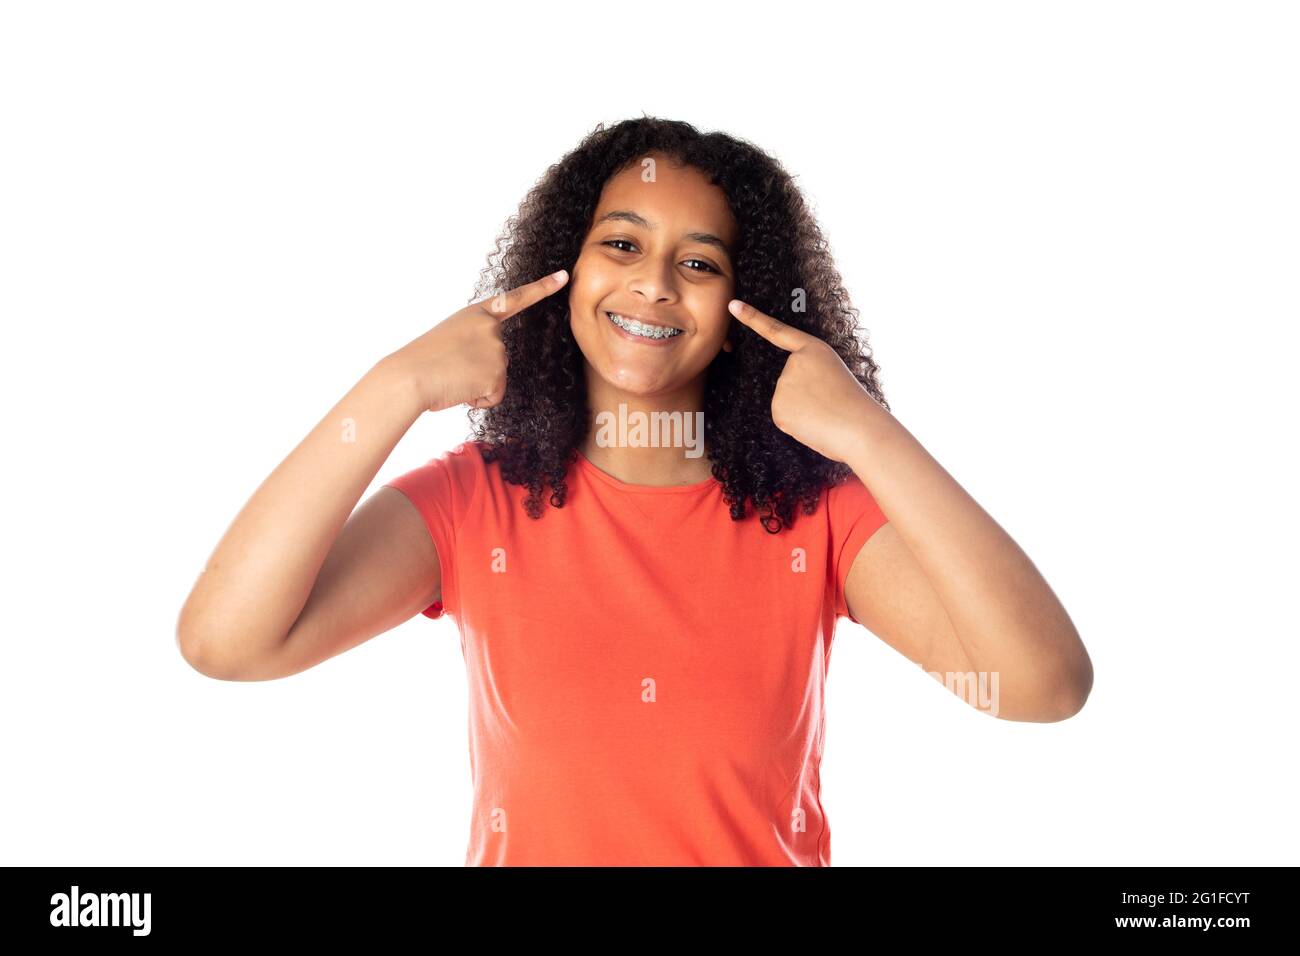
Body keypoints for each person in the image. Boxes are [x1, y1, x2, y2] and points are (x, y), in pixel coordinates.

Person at [177, 116, 1092, 866]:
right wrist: (393, 386)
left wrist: (866, 431)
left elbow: (1043, 686)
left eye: (700, 263)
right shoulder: (474, 504)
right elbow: (227, 642)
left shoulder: (814, 516)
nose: (653, 283)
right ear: (566, 273)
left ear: (746, 311)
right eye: (622, 244)